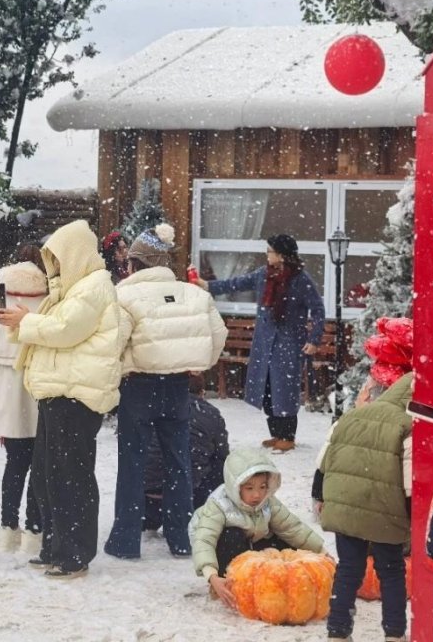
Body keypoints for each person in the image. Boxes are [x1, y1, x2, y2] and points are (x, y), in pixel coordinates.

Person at [0, 219, 123, 579]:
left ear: (74, 255)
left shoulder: (93, 287)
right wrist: (24, 322)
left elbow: (66, 330)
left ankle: (75, 555)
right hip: (58, 391)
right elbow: (55, 329)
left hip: (76, 395)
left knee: (71, 477)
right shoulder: (71, 290)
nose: (53, 266)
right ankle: (55, 547)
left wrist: (25, 322)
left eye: (57, 258)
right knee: (48, 475)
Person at [103, 223, 228, 560]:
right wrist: (198, 363)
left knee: (133, 463)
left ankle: (126, 540)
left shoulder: (124, 296)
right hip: (177, 385)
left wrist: (120, 369)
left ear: (134, 264)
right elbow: (218, 335)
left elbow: (114, 342)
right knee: (178, 462)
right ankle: (181, 537)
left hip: (138, 385)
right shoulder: (195, 294)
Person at [191, 234, 324, 451]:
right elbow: (236, 283)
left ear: (281, 255)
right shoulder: (264, 274)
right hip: (264, 344)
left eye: (270, 251)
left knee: (285, 391)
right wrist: (207, 285)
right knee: (268, 389)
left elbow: (318, 309)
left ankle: (287, 436)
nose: (267, 255)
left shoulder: (300, 280)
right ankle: (276, 433)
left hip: (288, 344)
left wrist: (314, 339)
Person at [313, 369, 414, 642]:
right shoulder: (407, 426)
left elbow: (323, 462)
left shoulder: (349, 417)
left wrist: (319, 496)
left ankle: (337, 630)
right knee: (391, 571)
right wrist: (411, 520)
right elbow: (409, 482)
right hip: (385, 509)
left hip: (345, 505)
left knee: (348, 568)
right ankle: (394, 633)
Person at [189, 447, 326, 608]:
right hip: (219, 544)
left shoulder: (267, 501)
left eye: (262, 487)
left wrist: (322, 552)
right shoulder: (218, 505)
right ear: (236, 487)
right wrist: (211, 576)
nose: (257, 494)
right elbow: (204, 541)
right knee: (232, 536)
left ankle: (276, 581)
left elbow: (292, 528)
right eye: (249, 488)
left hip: (251, 538)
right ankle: (225, 580)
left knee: (284, 541)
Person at [0, 244, 49, 554]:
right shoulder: (47, 297)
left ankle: (8, 529)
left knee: (14, 462)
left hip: (7, 384)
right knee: (38, 464)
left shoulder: (0, 295)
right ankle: (35, 530)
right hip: (37, 381)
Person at [142, 374, 230, 531]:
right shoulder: (210, 413)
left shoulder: (152, 407)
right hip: (188, 498)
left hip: (147, 498)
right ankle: (205, 511)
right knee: (220, 465)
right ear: (202, 392)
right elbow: (223, 455)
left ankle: (149, 512)